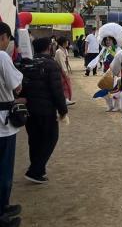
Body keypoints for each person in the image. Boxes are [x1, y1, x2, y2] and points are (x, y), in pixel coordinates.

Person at [19, 37, 68, 185]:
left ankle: (39, 171)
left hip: (29, 110)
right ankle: (35, 171)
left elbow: (21, 88)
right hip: (46, 110)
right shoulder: (50, 64)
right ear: (48, 47)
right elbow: (57, 90)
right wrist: (63, 110)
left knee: (34, 140)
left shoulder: (26, 64)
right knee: (51, 138)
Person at [0, 22, 23, 227]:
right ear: (3, 37)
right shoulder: (2, 56)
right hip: (3, 122)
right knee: (4, 169)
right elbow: (17, 86)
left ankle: (3, 207)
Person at [54, 37, 75, 106]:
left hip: (62, 69)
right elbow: (62, 63)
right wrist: (65, 72)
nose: (68, 43)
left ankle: (65, 99)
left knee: (65, 84)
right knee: (64, 85)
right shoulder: (59, 51)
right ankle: (65, 99)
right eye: (67, 42)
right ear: (63, 43)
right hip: (60, 70)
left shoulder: (64, 50)